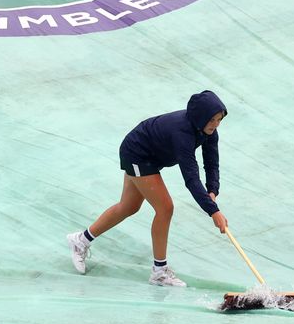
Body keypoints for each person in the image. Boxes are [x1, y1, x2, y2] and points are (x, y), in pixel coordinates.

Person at [67, 90, 228, 287]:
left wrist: (213, 190)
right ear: (200, 117)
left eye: (219, 119)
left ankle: (80, 240)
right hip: (137, 154)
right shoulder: (182, 133)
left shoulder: (209, 131)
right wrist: (213, 211)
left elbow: (212, 163)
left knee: (128, 206)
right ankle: (159, 272)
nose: (216, 124)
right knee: (165, 208)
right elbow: (191, 178)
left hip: (150, 155)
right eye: (212, 120)